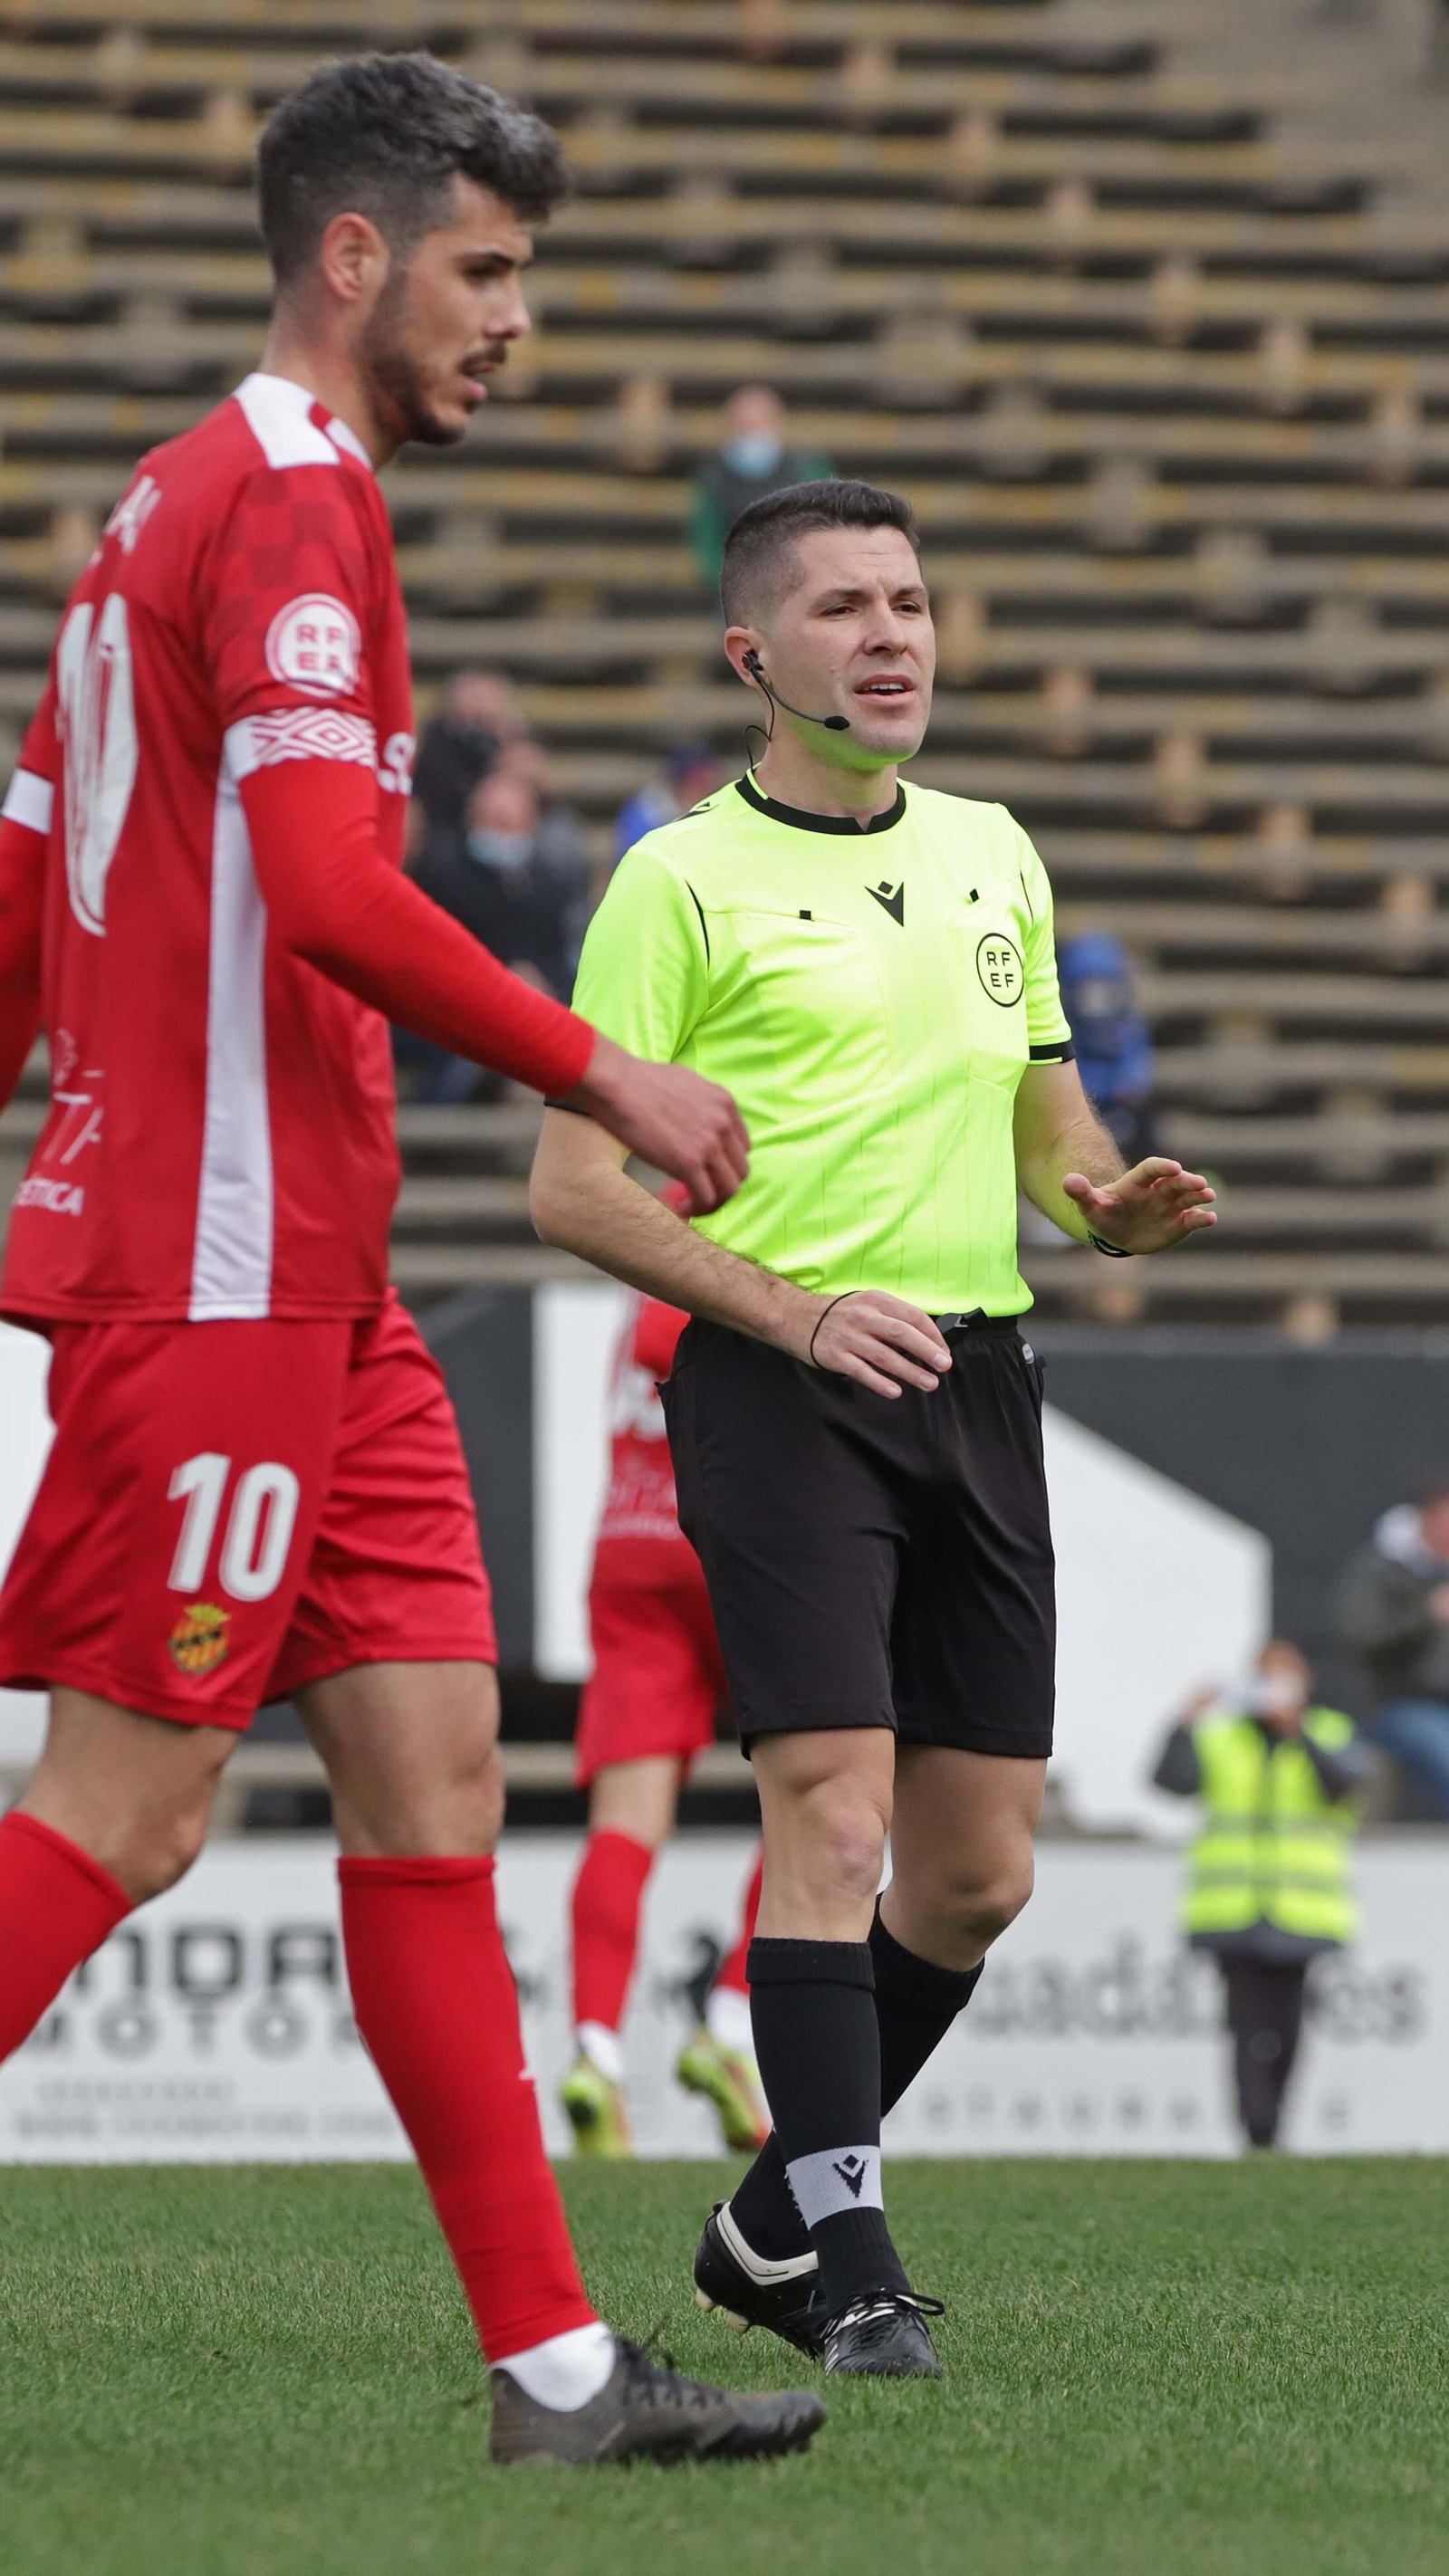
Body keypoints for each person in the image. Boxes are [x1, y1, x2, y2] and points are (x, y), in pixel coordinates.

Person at [0, 52, 821, 2473]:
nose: (515, 324)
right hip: (224, 1266)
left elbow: (31, 907)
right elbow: (343, 893)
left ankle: (559, 2369)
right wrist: (608, 1070)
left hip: (317, 1296)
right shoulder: (288, 505)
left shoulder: (151, 510)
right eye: (486, 270)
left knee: (439, 1773)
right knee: (133, 1809)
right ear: (352, 255)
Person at [529, 476, 1216, 2380]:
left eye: (908, 599)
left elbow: (1042, 1117)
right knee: (825, 1818)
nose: (891, 635)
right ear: (754, 655)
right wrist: (788, 1309)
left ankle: (763, 2218)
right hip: (780, 1381)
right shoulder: (677, 879)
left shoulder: (997, 850)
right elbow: (574, 1189)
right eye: (841, 607)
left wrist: (1101, 1202)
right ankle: (846, 2268)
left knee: (978, 1869)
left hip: (979, 1382)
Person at [563, 1214, 766, 2159]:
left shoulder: (640, 1208)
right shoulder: (749, 1197)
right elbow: (667, 1336)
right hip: (735, 1544)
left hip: (629, 1546)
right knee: (838, 1789)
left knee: (624, 1825)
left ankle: (594, 2052)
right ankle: (728, 2023)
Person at [1153, 1641, 1369, 2151]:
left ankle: (1272, 2120)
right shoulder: (1223, 1737)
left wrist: (1297, 1733)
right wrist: (1183, 1723)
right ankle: (1258, 2126)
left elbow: (1347, 1785)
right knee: (1246, 2022)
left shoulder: (1330, 1732)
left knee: (1290, 2025)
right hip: (1236, 1911)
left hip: (1302, 1911)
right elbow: (1171, 1781)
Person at [417, 766, 591, 1000]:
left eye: (510, 824)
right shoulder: (443, 877)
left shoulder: (550, 885)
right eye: (494, 822)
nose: (502, 835)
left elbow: (562, 956)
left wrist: (542, 982)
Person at [1334, 1485, 1449, 1817]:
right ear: (1426, 1519)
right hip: (1396, 1704)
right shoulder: (1379, 1570)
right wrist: (1426, 1615)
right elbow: (1363, 1631)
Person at [688, 387, 830, 592]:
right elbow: (706, 537)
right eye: (744, 427)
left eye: (758, 425)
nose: (752, 435)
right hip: (738, 586)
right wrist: (729, 578)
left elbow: (825, 526)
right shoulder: (714, 478)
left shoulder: (806, 470)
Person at [1056, 928, 1159, 1170]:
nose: (1098, 1003)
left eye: (1106, 992)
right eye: (1088, 992)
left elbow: (1137, 1077)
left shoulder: (1130, 1028)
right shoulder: (1060, 1029)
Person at [411, 666, 524, 839]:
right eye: (475, 697)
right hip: (443, 835)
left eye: (489, 699)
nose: (481, 707)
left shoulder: (515, 746)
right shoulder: (431, 745)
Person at [614, 746, 724, 869]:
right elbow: (637, 860)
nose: (704, 789)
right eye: (698, 782)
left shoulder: (721, 808)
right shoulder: (648, 811)